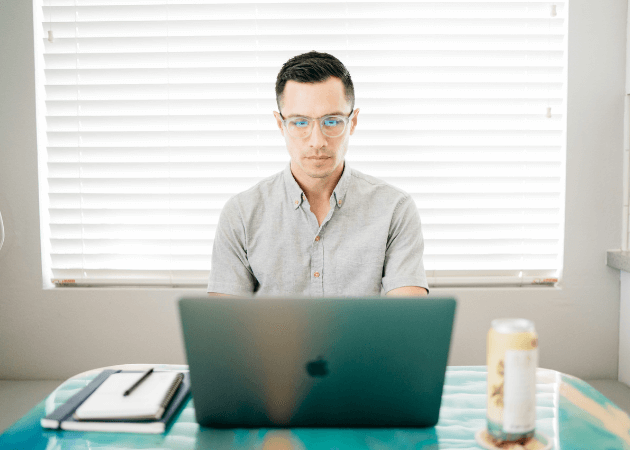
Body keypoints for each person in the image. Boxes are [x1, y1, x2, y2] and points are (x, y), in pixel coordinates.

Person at [208, 51, 428, 297]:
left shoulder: (395, 209)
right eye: (300, 122)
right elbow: (226, 328)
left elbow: (406, 323)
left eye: (331, 121)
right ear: (281, 124)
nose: (317, 141)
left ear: (352, 122)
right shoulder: (241, 214)